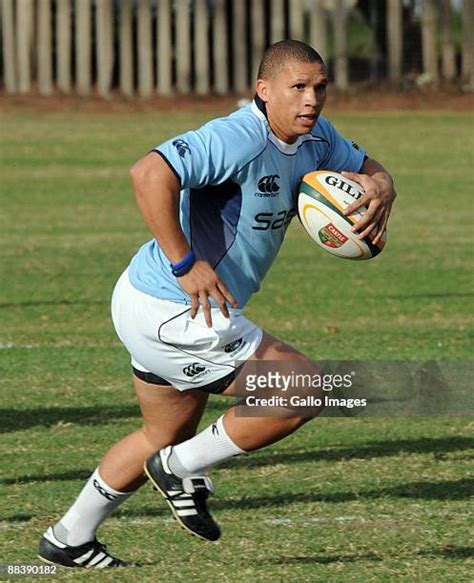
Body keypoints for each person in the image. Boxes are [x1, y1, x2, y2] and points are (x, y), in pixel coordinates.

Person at [38, 40, 395, 568]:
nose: (311, 99)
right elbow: (149, 173)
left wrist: (383, 187)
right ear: (263, 90)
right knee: (302, 387)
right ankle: (179, 467)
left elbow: (370, 166)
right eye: (297, 87)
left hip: (150, 301)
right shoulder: (237, 137)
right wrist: (186, 263)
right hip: (173, 307)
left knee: (162, 432)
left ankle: (69, 537)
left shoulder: (317, 137)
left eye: (319, 87)